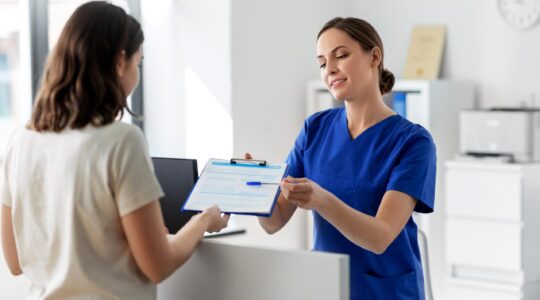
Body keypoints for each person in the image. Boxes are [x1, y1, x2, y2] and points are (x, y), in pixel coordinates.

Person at [0, 2, 229, 299]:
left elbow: (15, 262)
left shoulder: (20, 141)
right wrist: (203, 219)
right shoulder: (121, 140)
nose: (137, 75)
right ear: (120, 63)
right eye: (139, 63)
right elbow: (157, 266)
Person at [254, 17, 436, 300]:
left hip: (386, 292)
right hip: (327, 286)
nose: (331, 70)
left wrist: (321, 200)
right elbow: (273, 222)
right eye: (323, 63)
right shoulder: (314, 129)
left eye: (341, 55)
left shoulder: (412, 142)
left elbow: (380, 237)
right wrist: (250, 193)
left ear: (374, 56)